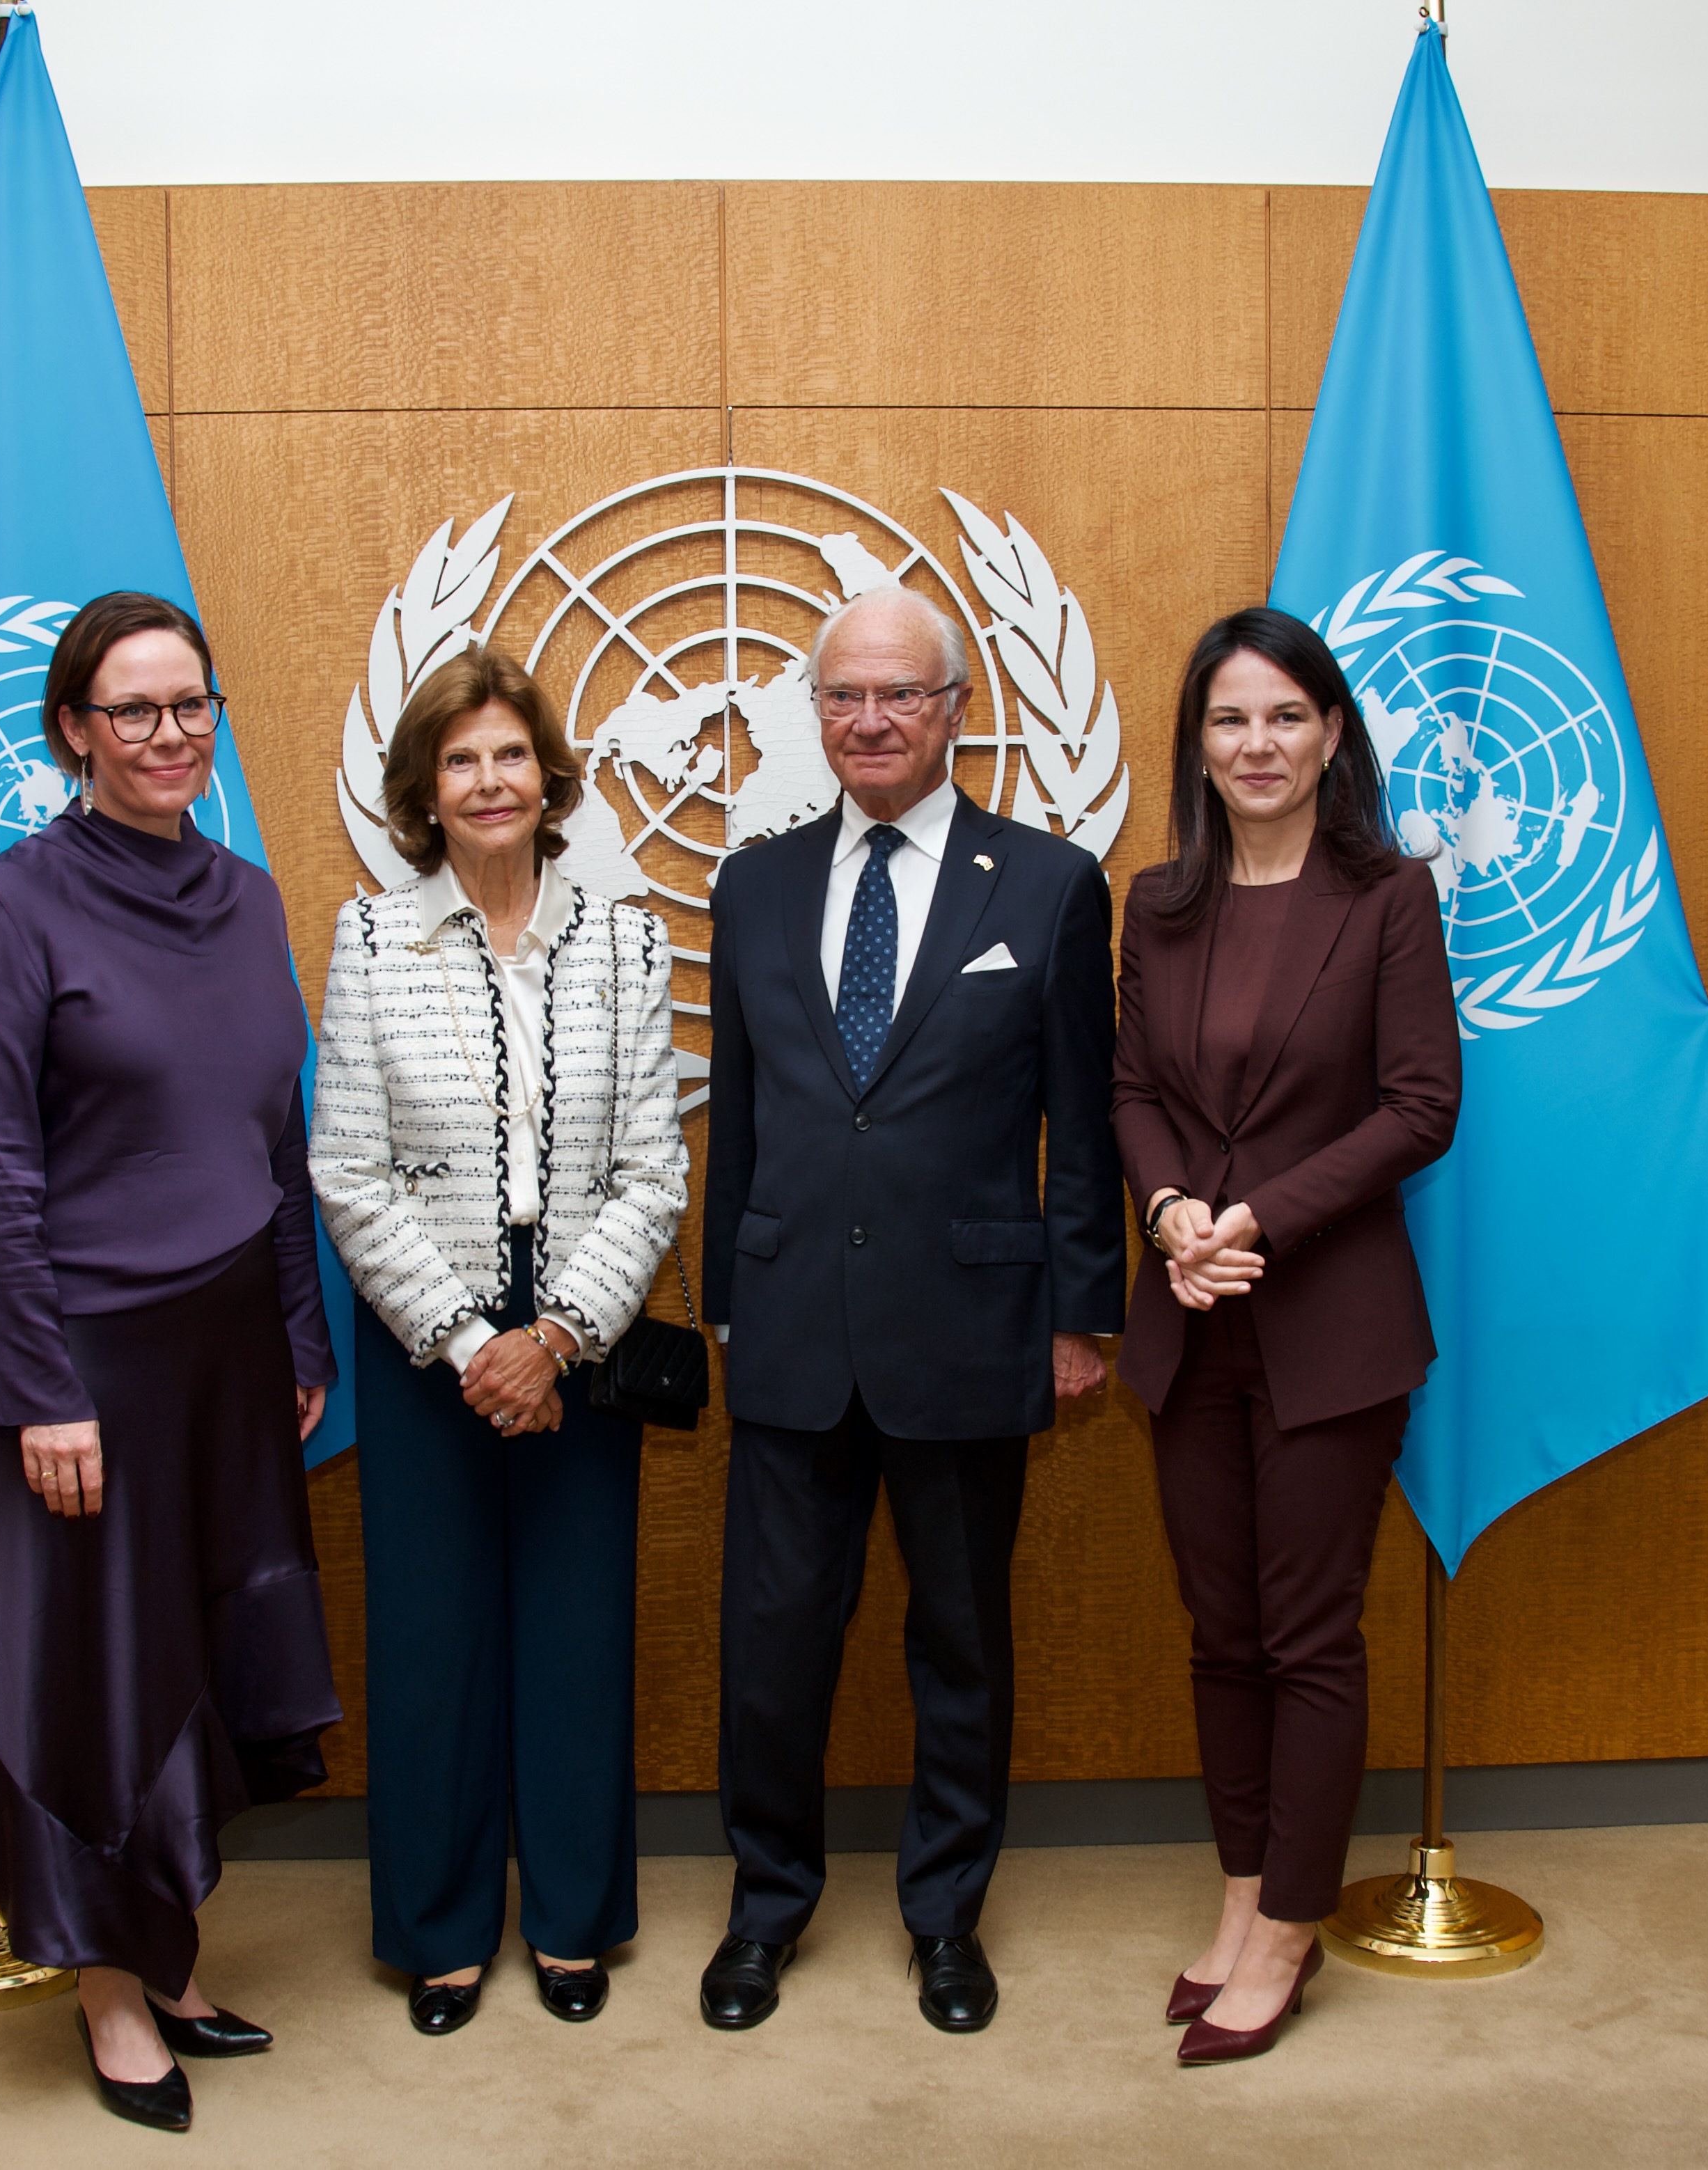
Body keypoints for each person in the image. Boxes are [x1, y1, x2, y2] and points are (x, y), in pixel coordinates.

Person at [0, 590, 340, 2132]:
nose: (169, 736)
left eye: (191, 706)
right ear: (71, 733)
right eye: (134, 711)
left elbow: (272, 1135)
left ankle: (169, 1952)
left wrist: (296, 1325)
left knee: (196, 1660)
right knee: (93, 1681)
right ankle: (110, 1995)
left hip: (230, 1346)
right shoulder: (13, 908)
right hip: (81, 1361)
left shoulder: (244, 897)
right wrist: (37, 1385)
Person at [698, 584, 1126, 2035]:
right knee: (773, 1648)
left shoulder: (1051, 885)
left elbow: (1083, 1117)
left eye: (899, 695)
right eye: (842, 696)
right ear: (812, 715)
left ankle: (945, 1915)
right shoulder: (749, 884)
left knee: (959, 1642)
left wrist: (1083, 1313)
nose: (868, 720)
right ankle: (764, 1908)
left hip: (968, 1324)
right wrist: (722, 1303)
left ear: (954, 711)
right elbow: (740, 1122)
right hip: (789, 1324)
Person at [310, 644, 687, 2036]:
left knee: (577, 1627)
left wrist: (558, 1331)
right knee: (431, 1633)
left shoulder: (626, 934)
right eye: (461, 758)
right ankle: (442, 1927)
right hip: (430, 1326)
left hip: (579, 1308)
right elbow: (347, 1169)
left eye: (511, 754)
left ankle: (575, 1917)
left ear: (548, 777)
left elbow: (653, 1167)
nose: (489, 780)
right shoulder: (368, 936)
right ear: (424, 788)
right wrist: (474, 1338)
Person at [1111, 606, 1462, 2066]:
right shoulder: (1157, 900)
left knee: (1307, 1634)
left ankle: (1292, 1924)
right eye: (1226, 719)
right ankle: (1241, 1893)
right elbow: (1128, 1084)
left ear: (1330, 736)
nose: (1255, 745)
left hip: (1328, 1321)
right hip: (1189, 1316)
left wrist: (1255, 1217)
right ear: (1195, 742)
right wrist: (1175, 1210)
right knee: (1220, 1631)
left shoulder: (1386, 896)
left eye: (1283, 717)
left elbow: (1417, 1105)